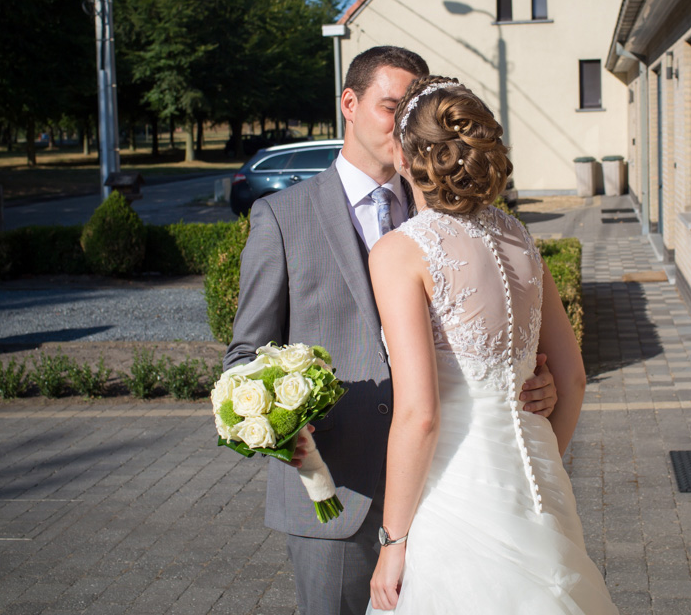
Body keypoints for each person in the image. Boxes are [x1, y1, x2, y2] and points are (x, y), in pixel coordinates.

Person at [223, 47, 559, 615]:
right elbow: (244, 356)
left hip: (448, 490)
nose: (404, 126)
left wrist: (536, 385)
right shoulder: (281, 217)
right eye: (390, 108)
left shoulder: (446, 215)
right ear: (349, 104)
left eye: (412, 111)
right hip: (338, 491)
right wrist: (275, 421)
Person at [365, 77, 618, 614]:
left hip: (455, 498)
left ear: (405, 158)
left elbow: (419, 415)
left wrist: (392, 541)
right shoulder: (519, 237)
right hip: (538, 486)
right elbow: (573, 380)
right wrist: (542, 460)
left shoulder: (400, 252)